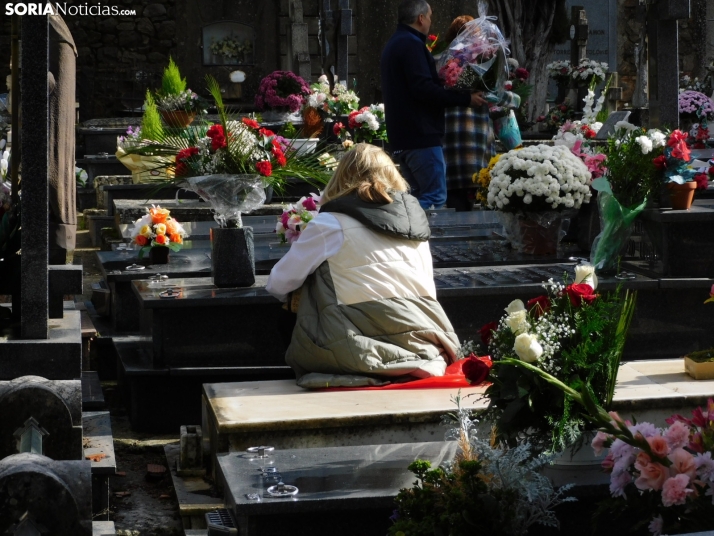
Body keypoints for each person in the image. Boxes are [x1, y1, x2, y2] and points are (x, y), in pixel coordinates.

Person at [266, 143, 461, 388]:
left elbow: (279, 283)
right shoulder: (416, 226)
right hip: (428, 339)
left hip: (354, 346)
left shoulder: (329, 224)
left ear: (342, 177)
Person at [380, 0, 485, 210]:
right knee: (435, 198)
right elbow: (423, 90)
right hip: (421, 135)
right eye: (429, 17)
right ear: (420, 18)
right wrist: (465, 99)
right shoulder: (411, 44)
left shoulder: (394, 43)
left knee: (417, 196)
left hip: (403, 135)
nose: (430, 22)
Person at [440, 15, 521, 211]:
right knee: (478, 210)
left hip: (449, 152)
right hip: (477, 150)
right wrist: (514, 99)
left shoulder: (441, 66)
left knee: (454, 207)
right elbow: (501, 99)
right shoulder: (481, 69)